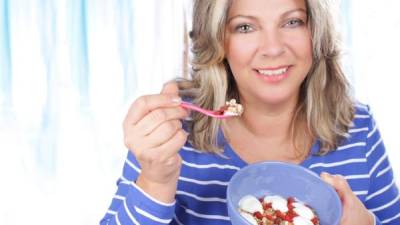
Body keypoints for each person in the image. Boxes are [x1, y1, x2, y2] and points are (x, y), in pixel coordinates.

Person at [100, 0, 400, 224]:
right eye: (245, 26)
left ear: (316, 31)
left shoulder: (358, 128)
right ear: (219, 42)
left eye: (292, 22)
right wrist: (155, 181)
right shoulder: (173, 135)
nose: (272, 48)